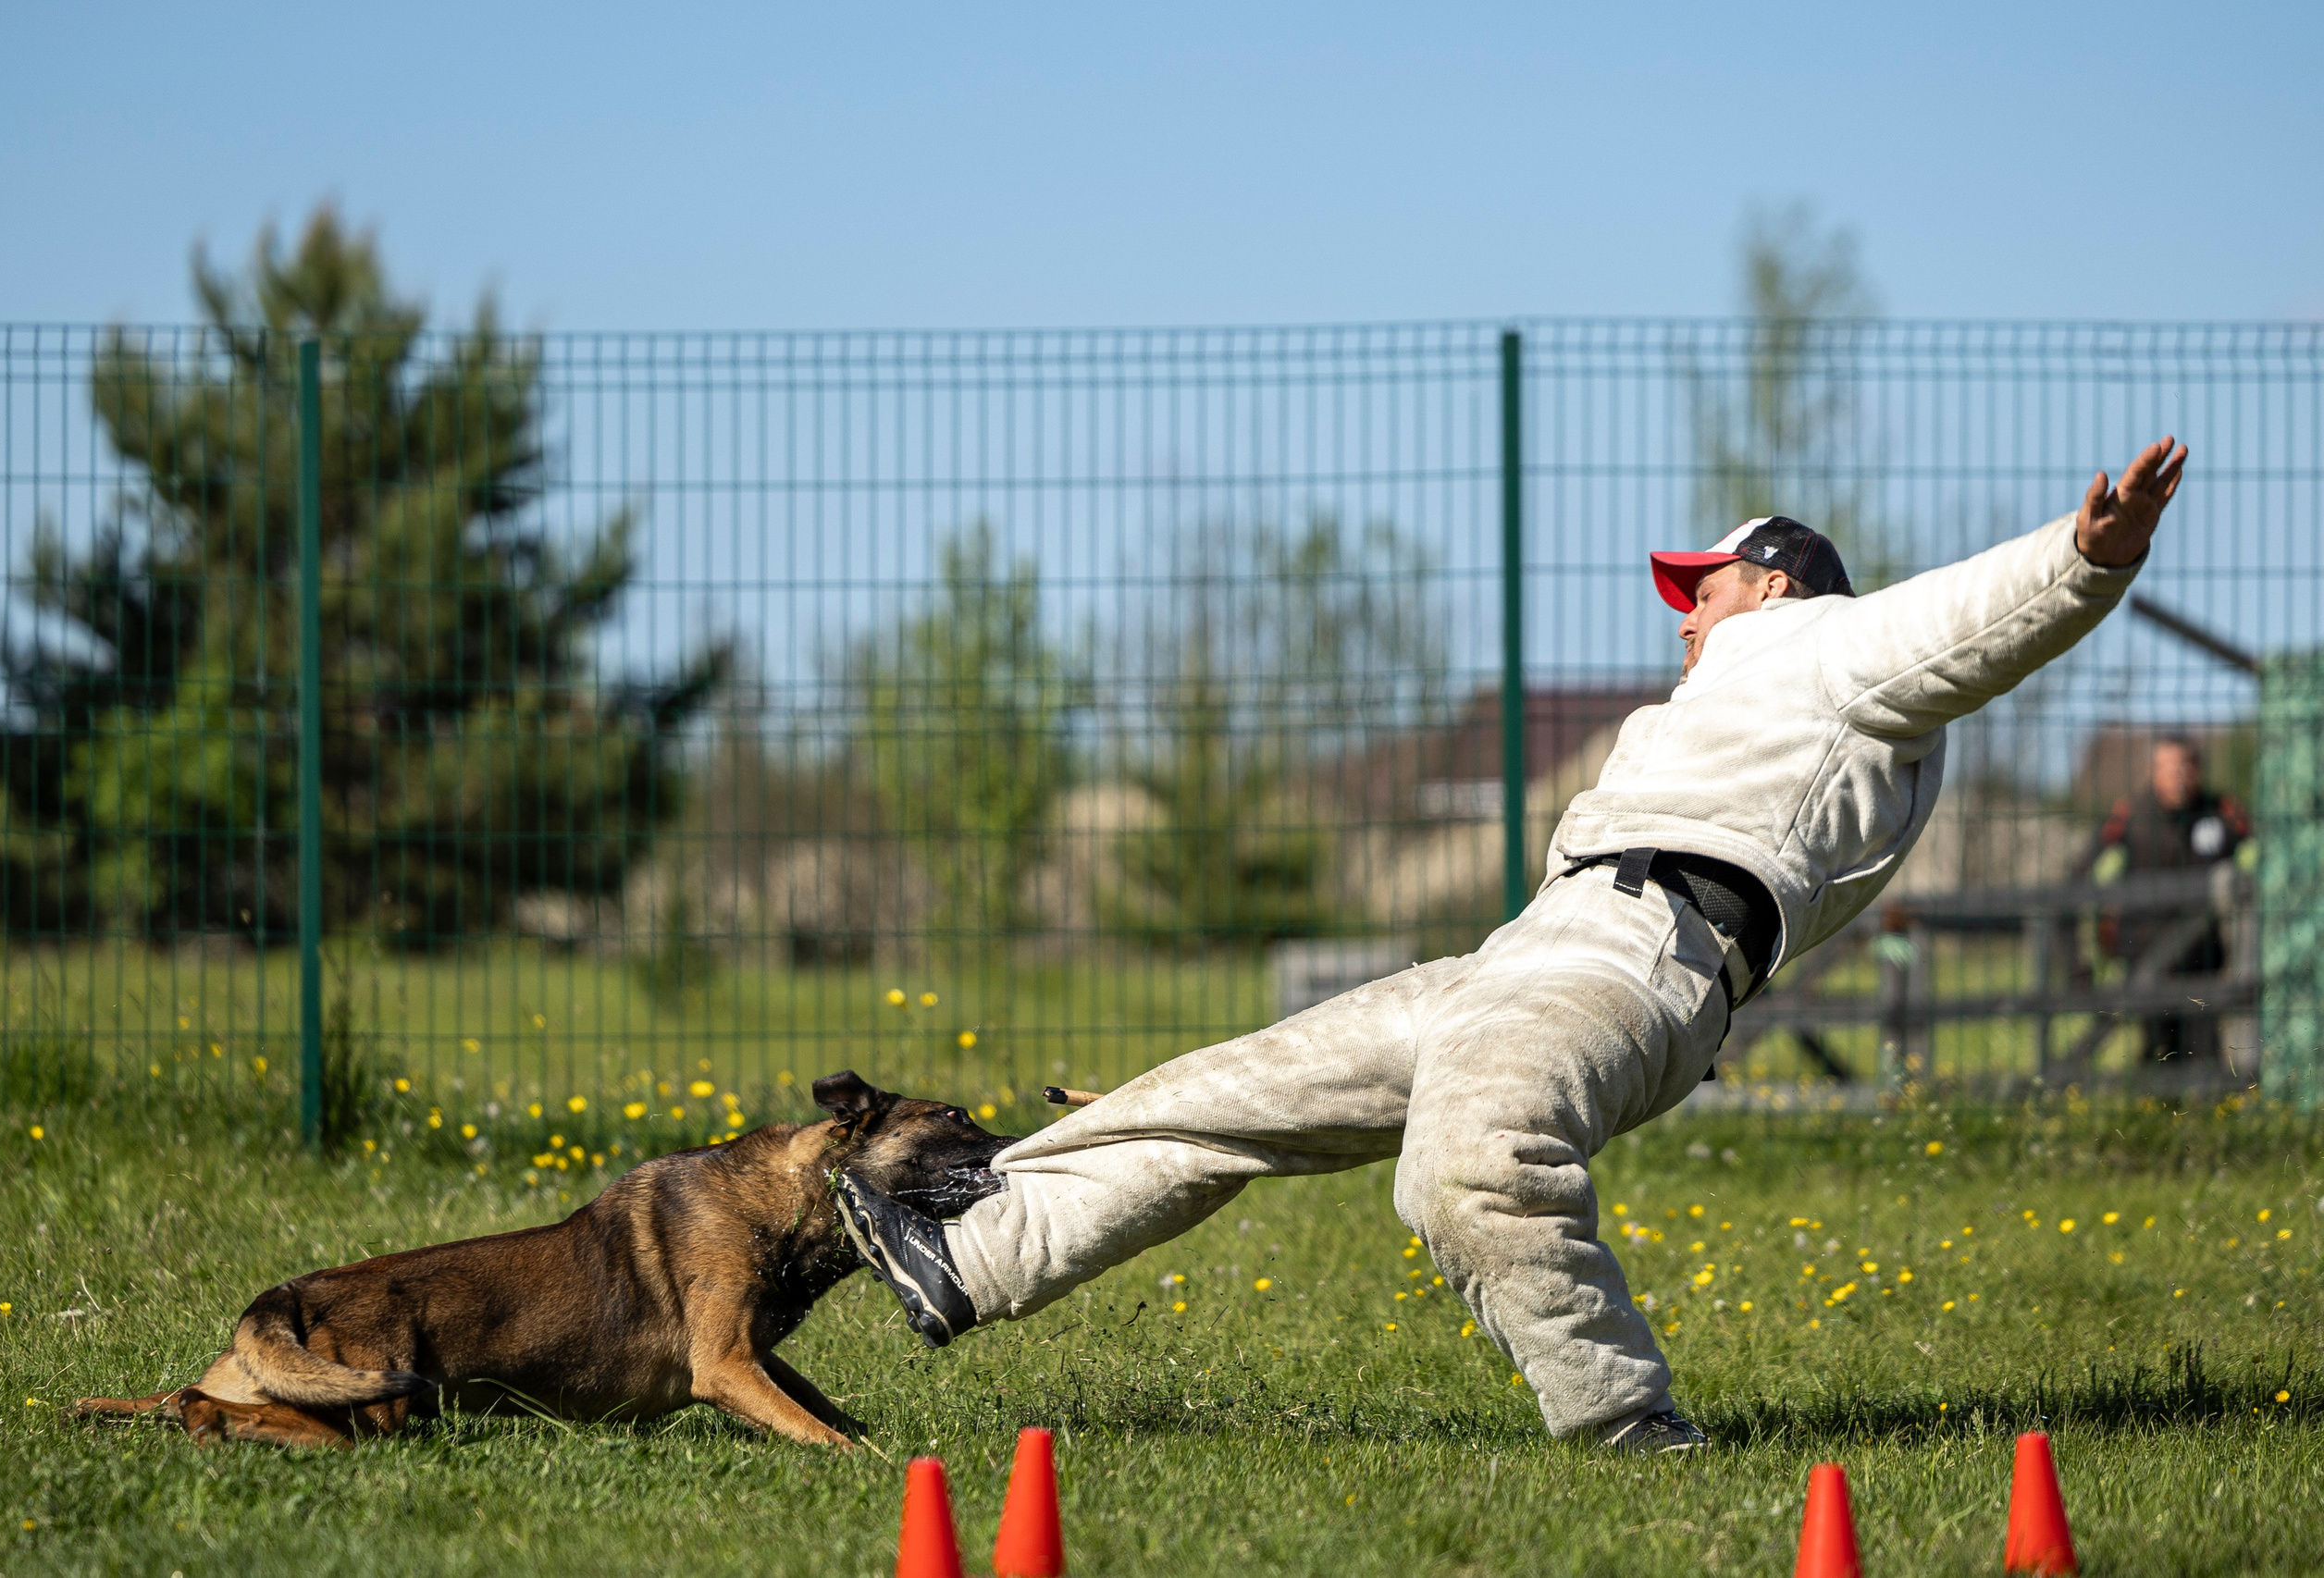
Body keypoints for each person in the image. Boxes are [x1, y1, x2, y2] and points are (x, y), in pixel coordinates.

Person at [835, 438, 2189, 1455]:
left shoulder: (1829, 649)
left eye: (1701, 582)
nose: (1683, 608)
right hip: (1525, 958)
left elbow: (1967, 623)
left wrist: (2085, 557)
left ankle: (1629, 1432)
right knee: (1214, 1094)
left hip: (1633, 962)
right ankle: (972, 1255)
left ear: (1772, 580)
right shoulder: (1723, 690)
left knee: (1470, 1166)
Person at [2083, 735, 2249, 1063]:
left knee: (2205, 1056)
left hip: (2205, 962)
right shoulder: (2129, 815)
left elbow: (2261, 860)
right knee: (2159, 1053)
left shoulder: (2223, 812)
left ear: (2198, 769)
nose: (2179, 776)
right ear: (2153, 771)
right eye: (2169, 767)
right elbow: (2084, 872)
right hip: (2144, 960)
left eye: (2186, 765)